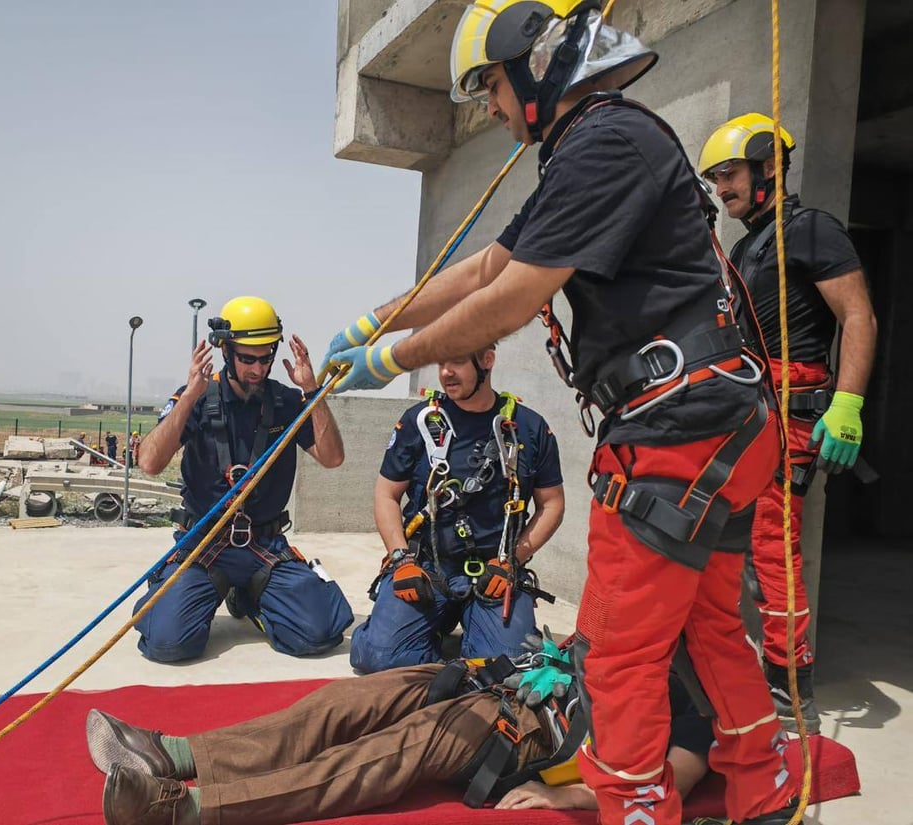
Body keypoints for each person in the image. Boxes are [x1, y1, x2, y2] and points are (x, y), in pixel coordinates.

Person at [322, 2, 797, 823]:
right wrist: (380, 317)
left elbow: (510, 298)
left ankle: (635, 808)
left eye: (494, 89)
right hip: (720, 423)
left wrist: (387, 362)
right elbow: (483, 269)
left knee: (617, 657)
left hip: (675, 436)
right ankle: (764, 782)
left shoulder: (606, 143)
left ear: (537, 65)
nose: (493, 110)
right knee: (716, 628)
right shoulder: (592, 148)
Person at [84, 646, 714, 825]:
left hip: (522, 731)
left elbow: (670, 786)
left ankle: (189, 811)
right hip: (495, 683)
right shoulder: (623, 629)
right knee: (347, 701)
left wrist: (567, 798)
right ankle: (171, 754)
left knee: (386, 750)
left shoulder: (688, 698)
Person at [697, 115, 877, 734]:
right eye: (714, 179)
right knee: (725, 546)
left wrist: (847, 404)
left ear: (768, 166)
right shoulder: (750, 244)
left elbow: (858, 316)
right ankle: (732, 662)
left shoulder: (810, 232)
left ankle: (790, 686)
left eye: (729, 174)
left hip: (785, 415)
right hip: (742, 412)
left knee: (773, 551)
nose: (721, 188)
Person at [133, 296, 352, 662]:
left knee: (320, 634)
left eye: (266, 357)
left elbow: (332, 458)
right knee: (169, 644)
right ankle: (198, 590)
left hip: (263, 547)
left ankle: (249, 595)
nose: (258, 368)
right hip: (205, 546)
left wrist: (312, 391)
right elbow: (150, 462)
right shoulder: (198, 399)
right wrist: (188, 398)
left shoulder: (286, 402)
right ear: (226, 352)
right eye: (248, 358)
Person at [351, 343, 565, 672]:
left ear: (487, 361)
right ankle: (429, 633)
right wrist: (400, 558)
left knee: (512, 667)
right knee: (378, 659)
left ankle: (467, 636)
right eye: (440, 362)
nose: (446, 372)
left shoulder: (530, 428)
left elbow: (551, 504)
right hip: (425, 570)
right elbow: (386, 494)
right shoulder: (420, 422)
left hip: (494, 575)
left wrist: (513, 561)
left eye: (457, 361)